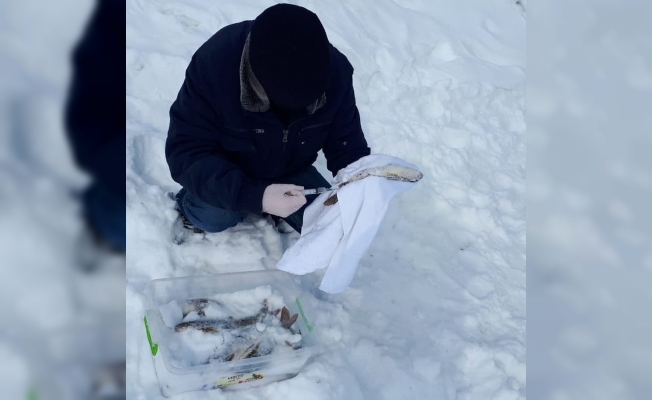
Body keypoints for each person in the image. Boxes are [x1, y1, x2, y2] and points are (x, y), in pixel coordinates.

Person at [166, 3, 370, 235]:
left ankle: (278, 204)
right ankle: (190, 206)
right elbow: (188, 150)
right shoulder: (214, 66)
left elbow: (346, 141)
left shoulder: (336, 72)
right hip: (227, 168)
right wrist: (255, 196)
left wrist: (361, 178)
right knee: (215, 216)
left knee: (331, 222)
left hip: (290, 169)